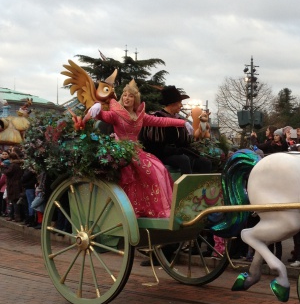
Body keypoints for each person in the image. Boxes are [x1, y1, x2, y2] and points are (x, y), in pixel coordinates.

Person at [86, 80, 187, 218]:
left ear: (135, 99)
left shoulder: (140, 117)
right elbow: (103, 115)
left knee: (159, 169)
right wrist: (96, 106)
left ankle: (154, 208)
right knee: (136, 173)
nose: (127, 98)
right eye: (125, 95)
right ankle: (129, 210)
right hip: (121, 152)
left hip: (137, 152)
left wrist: (183, 123)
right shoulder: (116, 114)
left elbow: (162, 121)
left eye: (130, 96)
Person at [140, 85, 212, 174]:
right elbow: (152, 145)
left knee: (205, 162)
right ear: (172, 103)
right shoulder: (156, 117)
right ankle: (185, 187)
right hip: (162, 155)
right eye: (179, 102)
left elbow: (186, 142)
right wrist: (174, 151)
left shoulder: (179, 120)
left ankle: (202, 187)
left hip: (178, 153)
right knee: (184, 159)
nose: (181, 105)